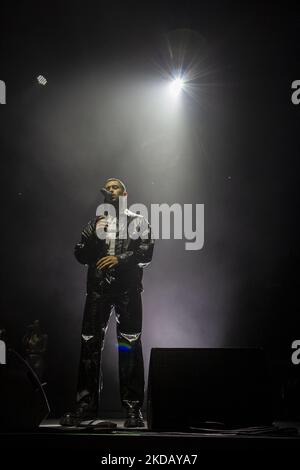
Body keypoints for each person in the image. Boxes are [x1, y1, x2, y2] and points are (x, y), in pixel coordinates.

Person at [60, 178, 154, 427]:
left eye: (116, 187)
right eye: (108, 187)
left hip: (127, 290)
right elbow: (80, 254)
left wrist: (119, 259)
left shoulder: (137, 220)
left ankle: (133, 410)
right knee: (90, 343)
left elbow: (146, 252)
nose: (111, 190)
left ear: (125, 192)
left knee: (130, 344)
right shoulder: (95, 224)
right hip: (98, 290)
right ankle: (85, 407)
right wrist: (94, 236)